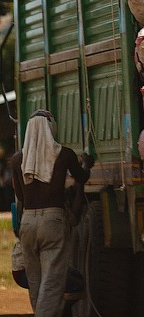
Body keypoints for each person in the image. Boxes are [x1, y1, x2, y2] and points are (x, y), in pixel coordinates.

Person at [11, 110, 93, 317]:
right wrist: (86, 164)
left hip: (28, 223)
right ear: (50, 128)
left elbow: (20, 195)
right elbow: (81, 177)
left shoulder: (17, 159)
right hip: (53, 221)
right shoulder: (64, 154)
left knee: (36, 282)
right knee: (52, 282)